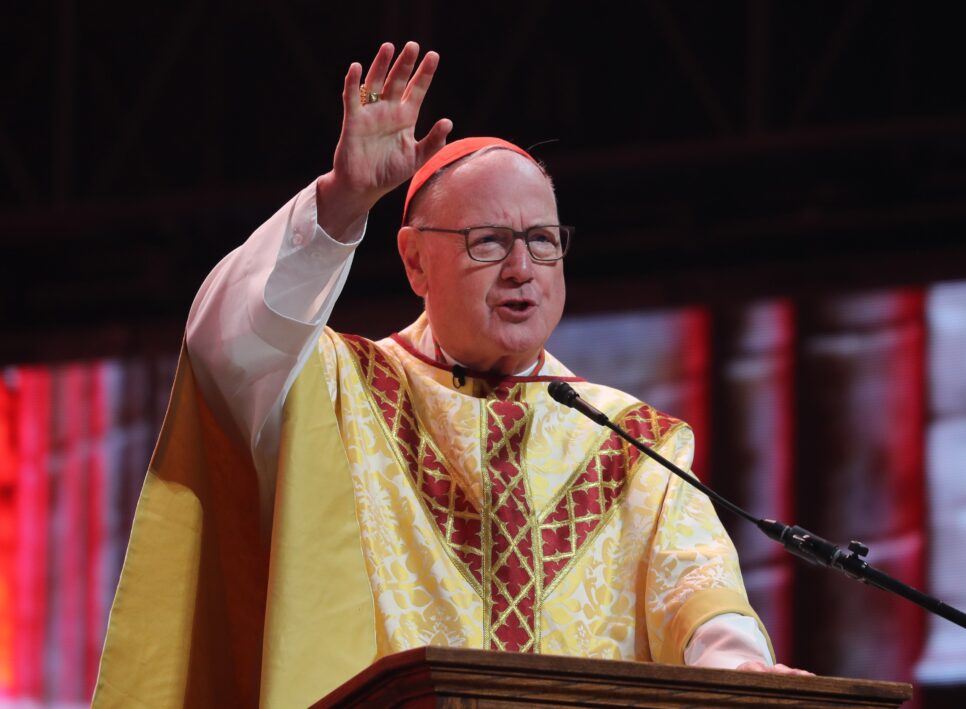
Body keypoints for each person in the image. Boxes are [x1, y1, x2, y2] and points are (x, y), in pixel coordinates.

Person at [93, 42, 807, 707]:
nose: (522, 268)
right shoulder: (343, 390)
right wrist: (343, 200)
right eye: (489, 241)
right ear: (413, 262)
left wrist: (740, 667)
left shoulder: (631, 443)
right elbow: (223, 345)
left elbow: (700, 594)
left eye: (542, 240)